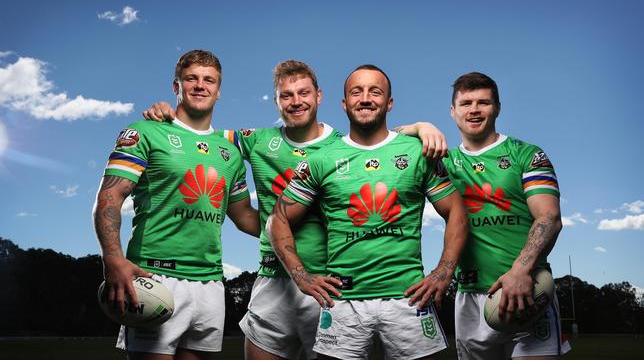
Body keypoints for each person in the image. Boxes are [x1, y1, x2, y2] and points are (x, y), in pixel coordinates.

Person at [142, 60, 450, 360]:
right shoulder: (256, 141)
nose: (295, 102)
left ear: (319, 97)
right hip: (274, 277)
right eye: (286, 96)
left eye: (303, 93)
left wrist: (419, 127)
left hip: (329, 283)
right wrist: (168, 114)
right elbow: (201, 135)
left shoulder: (342, 145)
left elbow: (381, 139)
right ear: (275, 101)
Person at [267, 65, 468, 360]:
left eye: (375, 91)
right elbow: (278, 219)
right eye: (356, 92)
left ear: (389, 103)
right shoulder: (322, 159)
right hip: (343, 302)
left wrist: (444, 272)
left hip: (408, 299)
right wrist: (301, 276)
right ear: (344, 103)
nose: (365, 98)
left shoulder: (416, 152)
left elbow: (457, 213)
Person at [93, 49, 259, 360]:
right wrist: (112, 260)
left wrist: (296, 230)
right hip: (154, 277)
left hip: (210, 284)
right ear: (176, 86)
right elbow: (110, 196)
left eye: (209, 80)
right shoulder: (146, 131)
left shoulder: (231, 153)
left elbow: (245, 217)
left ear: (219, 90)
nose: (200, 85)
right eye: (191, 78)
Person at [443, 72, 569, 359]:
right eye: (465, 103)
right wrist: (419, 127)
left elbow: (549, 218)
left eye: (483, 102)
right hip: (470, 295)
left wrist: (520, 271)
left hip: (528, 287)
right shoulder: (443, 162)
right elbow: (391, 143)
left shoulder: (526, 154)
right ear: (453, 112)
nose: (473, 109)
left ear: (497, 107)